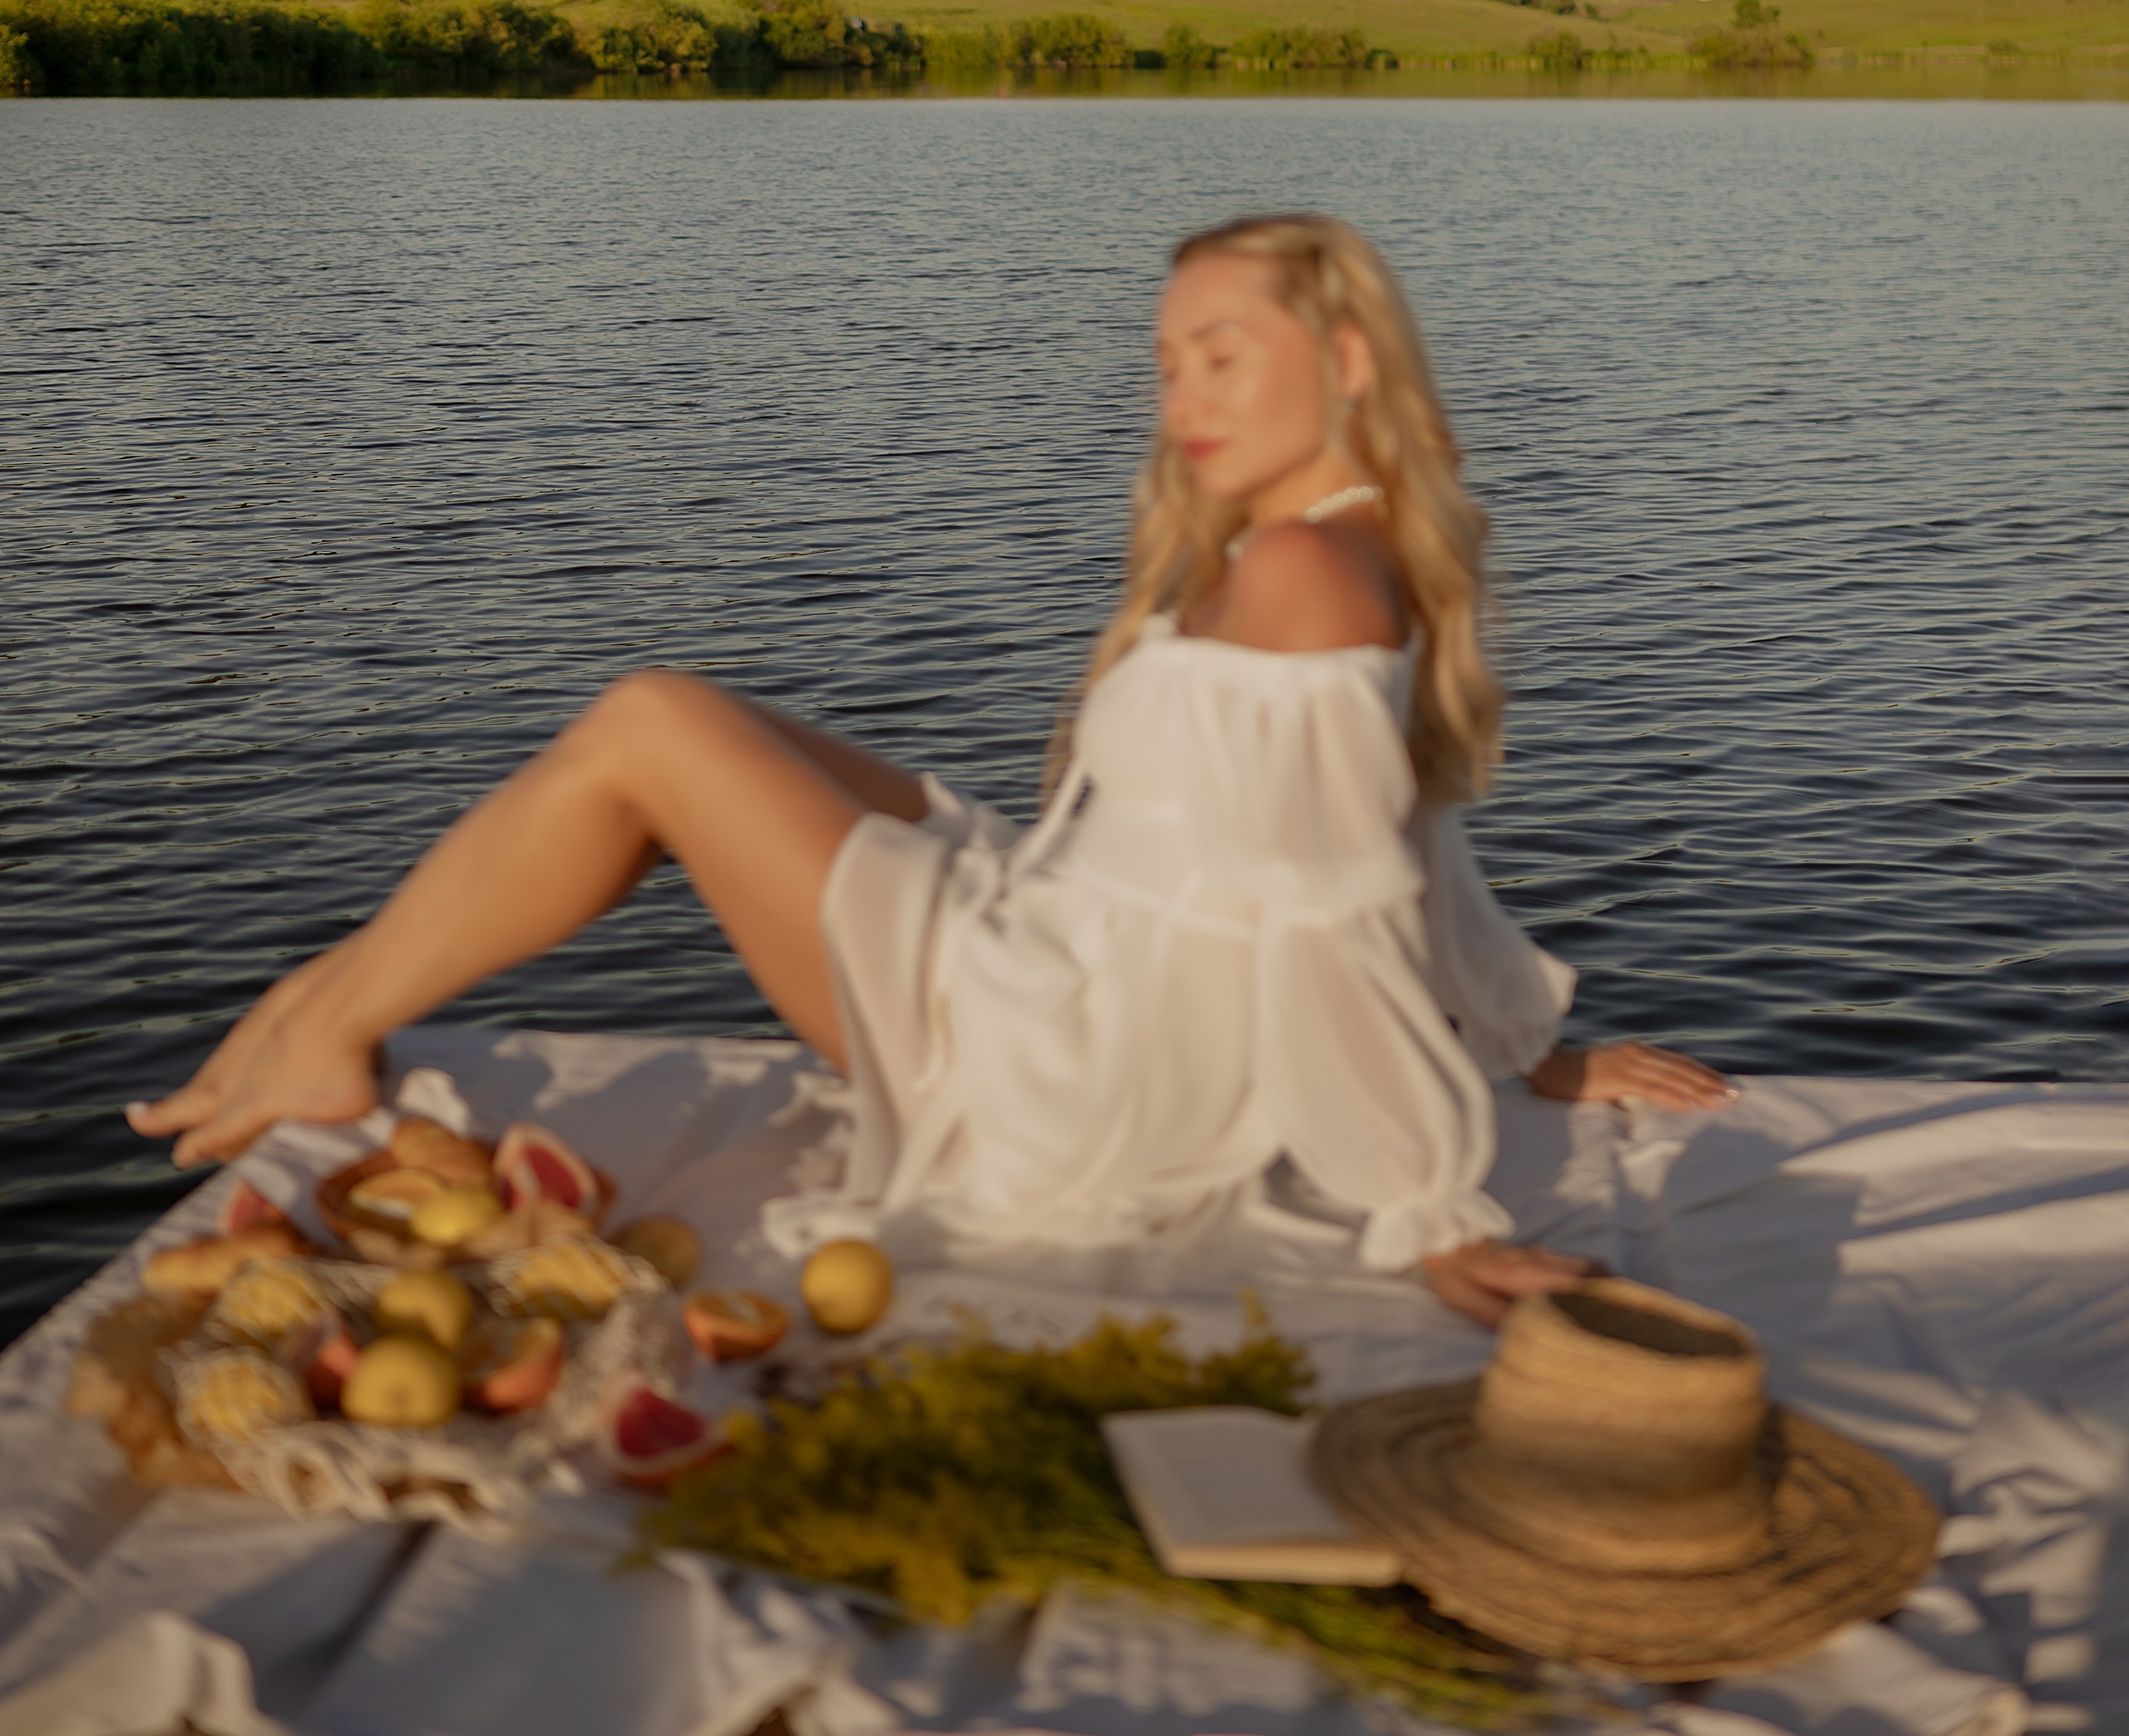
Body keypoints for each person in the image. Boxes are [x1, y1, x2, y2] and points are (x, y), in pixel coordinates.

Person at [131, 213, 1728, 1326]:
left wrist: (1434, 1202)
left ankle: (320, 1027)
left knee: (648, 728)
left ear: (1353, 365)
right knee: (716, 722)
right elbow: (1392, 842)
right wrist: (1522, 1041)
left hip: (1055, 1068)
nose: (1180, 400)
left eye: (1224, 357)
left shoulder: (1304, 583)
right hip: (1070, 942)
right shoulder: (1341, 551)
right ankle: (319, 1010)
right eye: (1169, 361)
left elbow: (1335, 917)